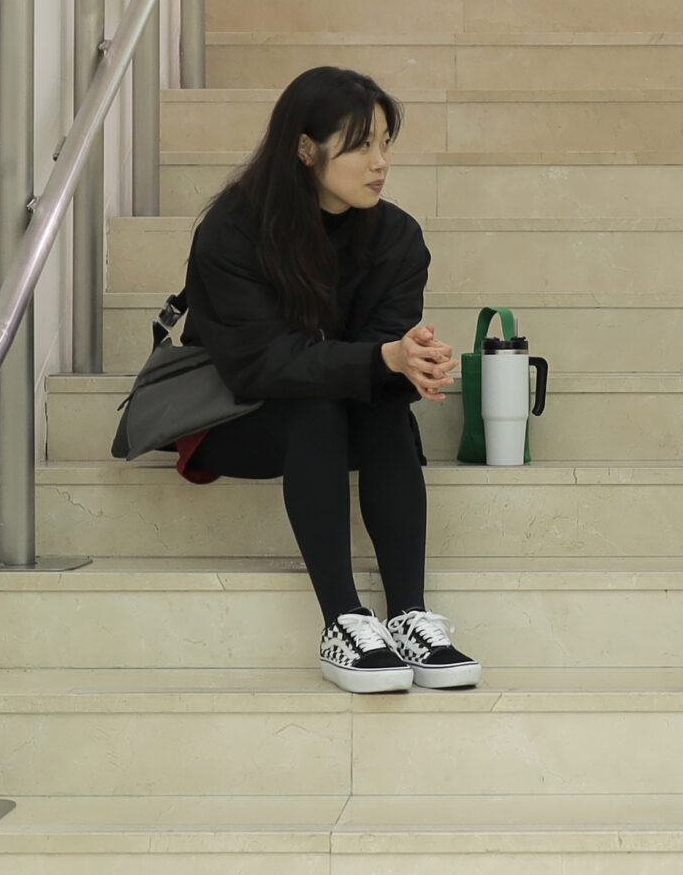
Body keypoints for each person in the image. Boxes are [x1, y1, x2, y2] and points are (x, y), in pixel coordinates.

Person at [180, 66, 480, 693]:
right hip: (239, 416)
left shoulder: (397, 237)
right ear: (305, 148)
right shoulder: (233, 232)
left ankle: (408, 617)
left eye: (386, 143)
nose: (380, 162)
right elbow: (259, 364)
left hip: (342, 413)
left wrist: (411, 363)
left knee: (383, 410)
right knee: (317, 405)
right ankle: (342, 621)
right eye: (360, 145)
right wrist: (381, 361)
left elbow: (381, 361)